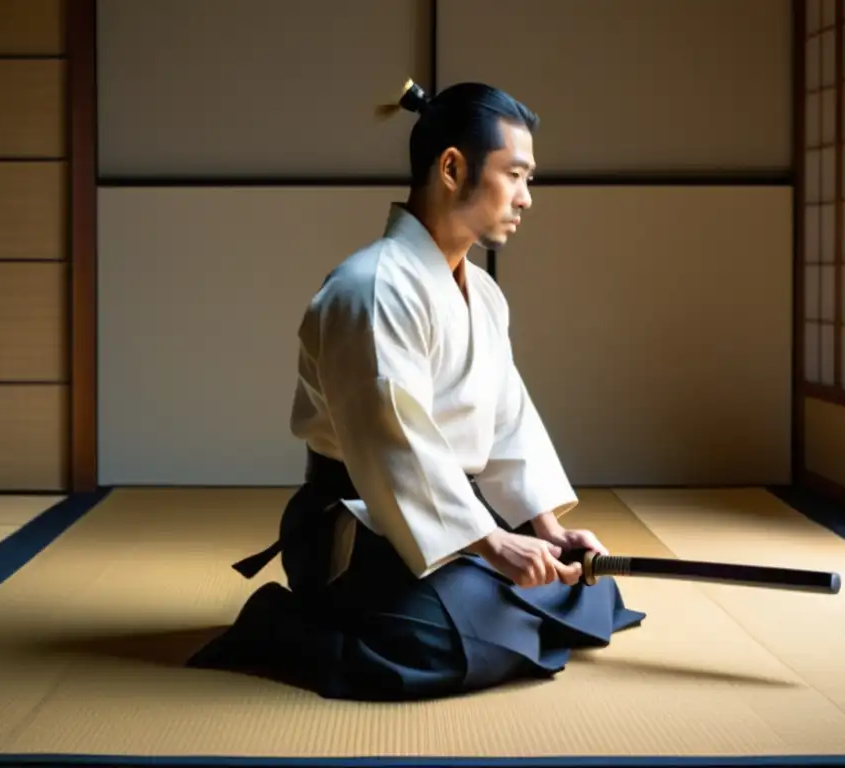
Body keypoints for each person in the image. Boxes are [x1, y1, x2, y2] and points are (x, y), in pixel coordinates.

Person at [186, 80, 645, 701]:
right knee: (452, 640)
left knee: (585, 591)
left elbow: (507, 417)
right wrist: (491, 541)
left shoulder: (481, 293)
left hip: (448, 515)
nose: (526, 198)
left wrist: (543, 528)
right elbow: (392, 442)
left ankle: (481, 596)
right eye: (515, 175)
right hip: (358, 527)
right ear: (453, 168)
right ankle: (284, 624)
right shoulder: (369, 287)